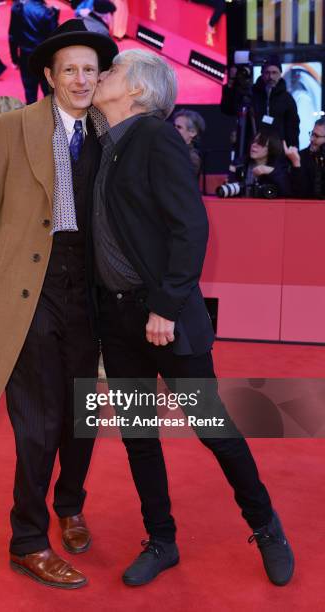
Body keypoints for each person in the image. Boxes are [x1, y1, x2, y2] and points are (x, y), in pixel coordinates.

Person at [92, 48, 294, 587]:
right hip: (115, 319)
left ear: (136, 90)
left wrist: (165, 305)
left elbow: (191, 228)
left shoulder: (156, 138)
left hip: (162, 317)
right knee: (138, 436)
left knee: (213, 428)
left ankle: (266, 526)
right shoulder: (105, 143)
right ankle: (162, 540)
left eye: (111, 72)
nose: (99, 76)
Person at [0, 19, 118, 589]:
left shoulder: (111, 131)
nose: (81, 79)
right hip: (28, 291)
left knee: (83, 416)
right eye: (71, 70)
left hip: (91, 292)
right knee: (37, 423)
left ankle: (70, 505)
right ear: (49, 75)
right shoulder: (13, 127)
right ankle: (28, 540)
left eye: (90, 69)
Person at [221, 55, 300, 148]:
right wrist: (230, 83)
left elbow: (293, 129)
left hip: (278, 152)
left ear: (280, 74)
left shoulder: (287, 99)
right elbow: (228, 109)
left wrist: (292, 151)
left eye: (274, 73)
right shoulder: (251, 95)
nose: (271, 77)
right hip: (253, 150)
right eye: (267, 73)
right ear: (262, 73)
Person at [8, 0, 59, 104]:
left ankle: (31, 118)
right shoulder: (47, 12)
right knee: (49, 93)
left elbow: (12, 36)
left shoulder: (18, 8)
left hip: (26, 55)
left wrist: (14, 58)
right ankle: (50, 118)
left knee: (30, 92)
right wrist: (55, 16)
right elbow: (55, 38)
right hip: (45, 58)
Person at [228, 130, 291, 198]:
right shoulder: (240, 163)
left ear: (271, 148)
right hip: (241, 203)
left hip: (268, 206)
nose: (254, 145)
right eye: (254, 142)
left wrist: (271, 172)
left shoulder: (279, 167)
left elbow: (287, 192)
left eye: (261, 143)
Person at [284, 117, 325, 199]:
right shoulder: (300, 157)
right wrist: (297, 165)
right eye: (312, 134)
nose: (311, 139)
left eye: (316, 136)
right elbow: (299, 194)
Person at [172, 108, 205, 176]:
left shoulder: (192, 158)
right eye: (173, 126)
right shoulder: (171, 148)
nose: (173, 130)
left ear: (192, 132)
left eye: (179, 127)